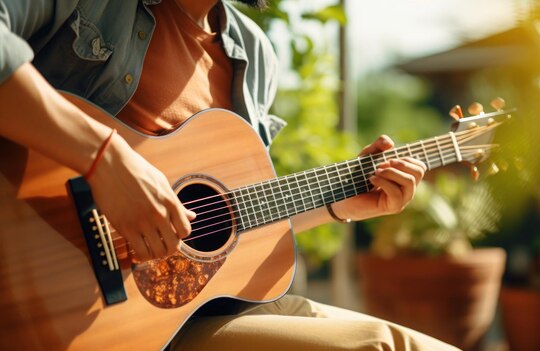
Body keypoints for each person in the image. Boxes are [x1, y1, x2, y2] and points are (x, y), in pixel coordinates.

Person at [0, 0, 459, 350]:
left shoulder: (254, 54)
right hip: (59, 302)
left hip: (175, 317)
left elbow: (230, 224)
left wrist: (338, 205)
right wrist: (104, 158)